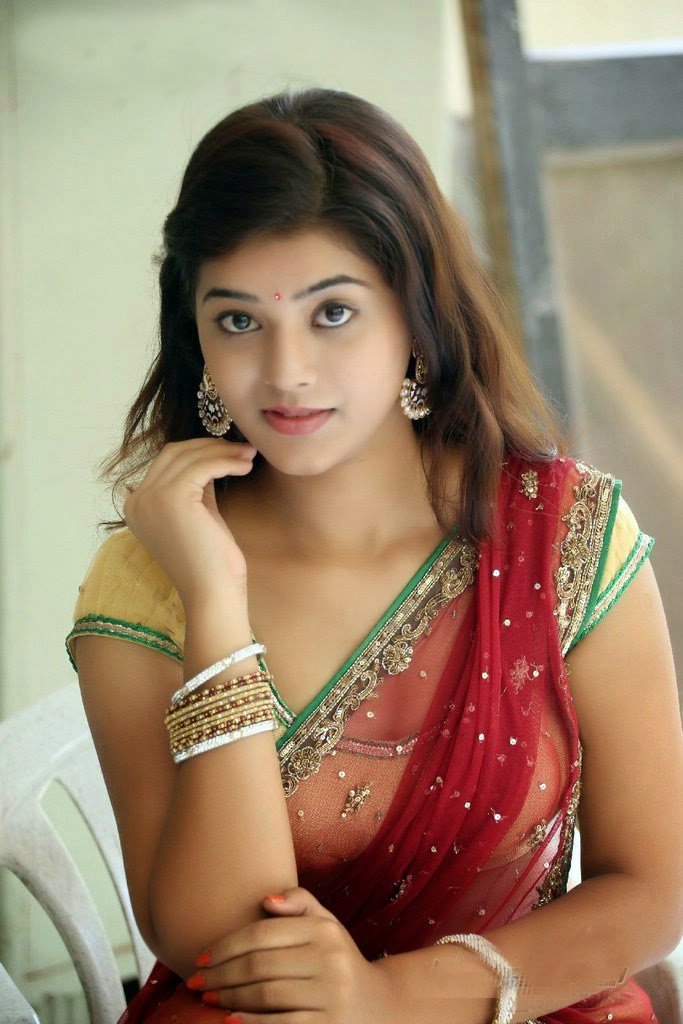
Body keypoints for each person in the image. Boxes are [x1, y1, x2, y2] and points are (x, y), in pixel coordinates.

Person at [65, 87, 683, 1024]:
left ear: (416, 319)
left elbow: (650, 888)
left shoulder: (565, 536)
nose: (286, 373)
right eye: (238, 321)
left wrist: (389, 997)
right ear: (194, 334)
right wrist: (216, 607)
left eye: (332, 314)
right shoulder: (153, 578)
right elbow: (214, 943)